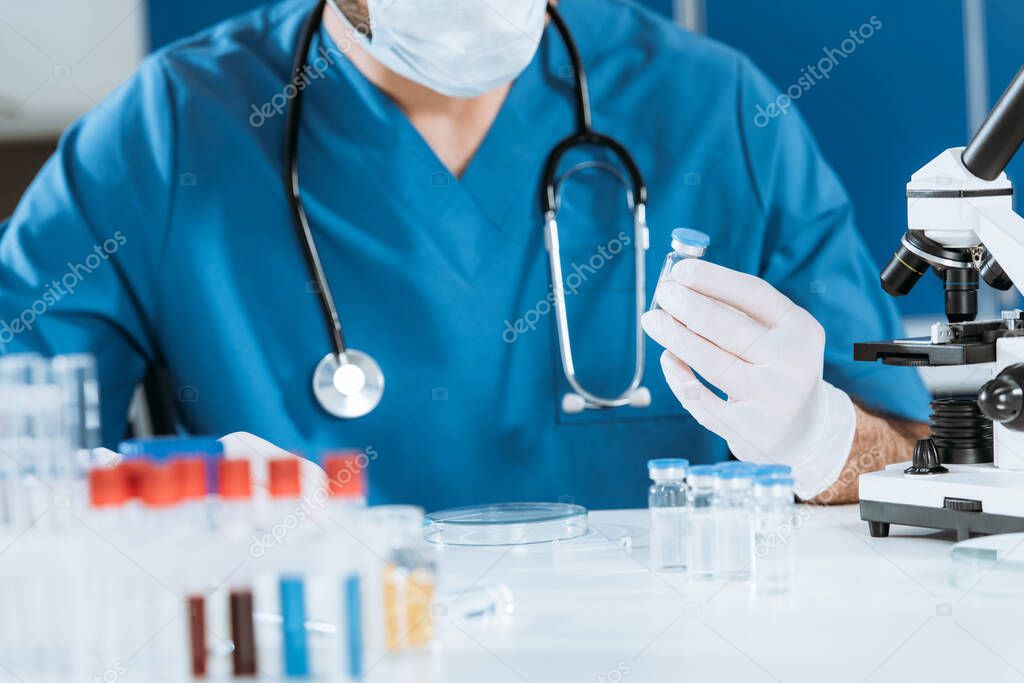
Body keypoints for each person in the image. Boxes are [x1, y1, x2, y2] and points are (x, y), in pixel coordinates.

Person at [0, 0, 929, 510]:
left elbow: (915, 464)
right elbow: (16, 446)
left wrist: (823, 439)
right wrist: (181, 497)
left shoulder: (716, 111)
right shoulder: (169, 135)